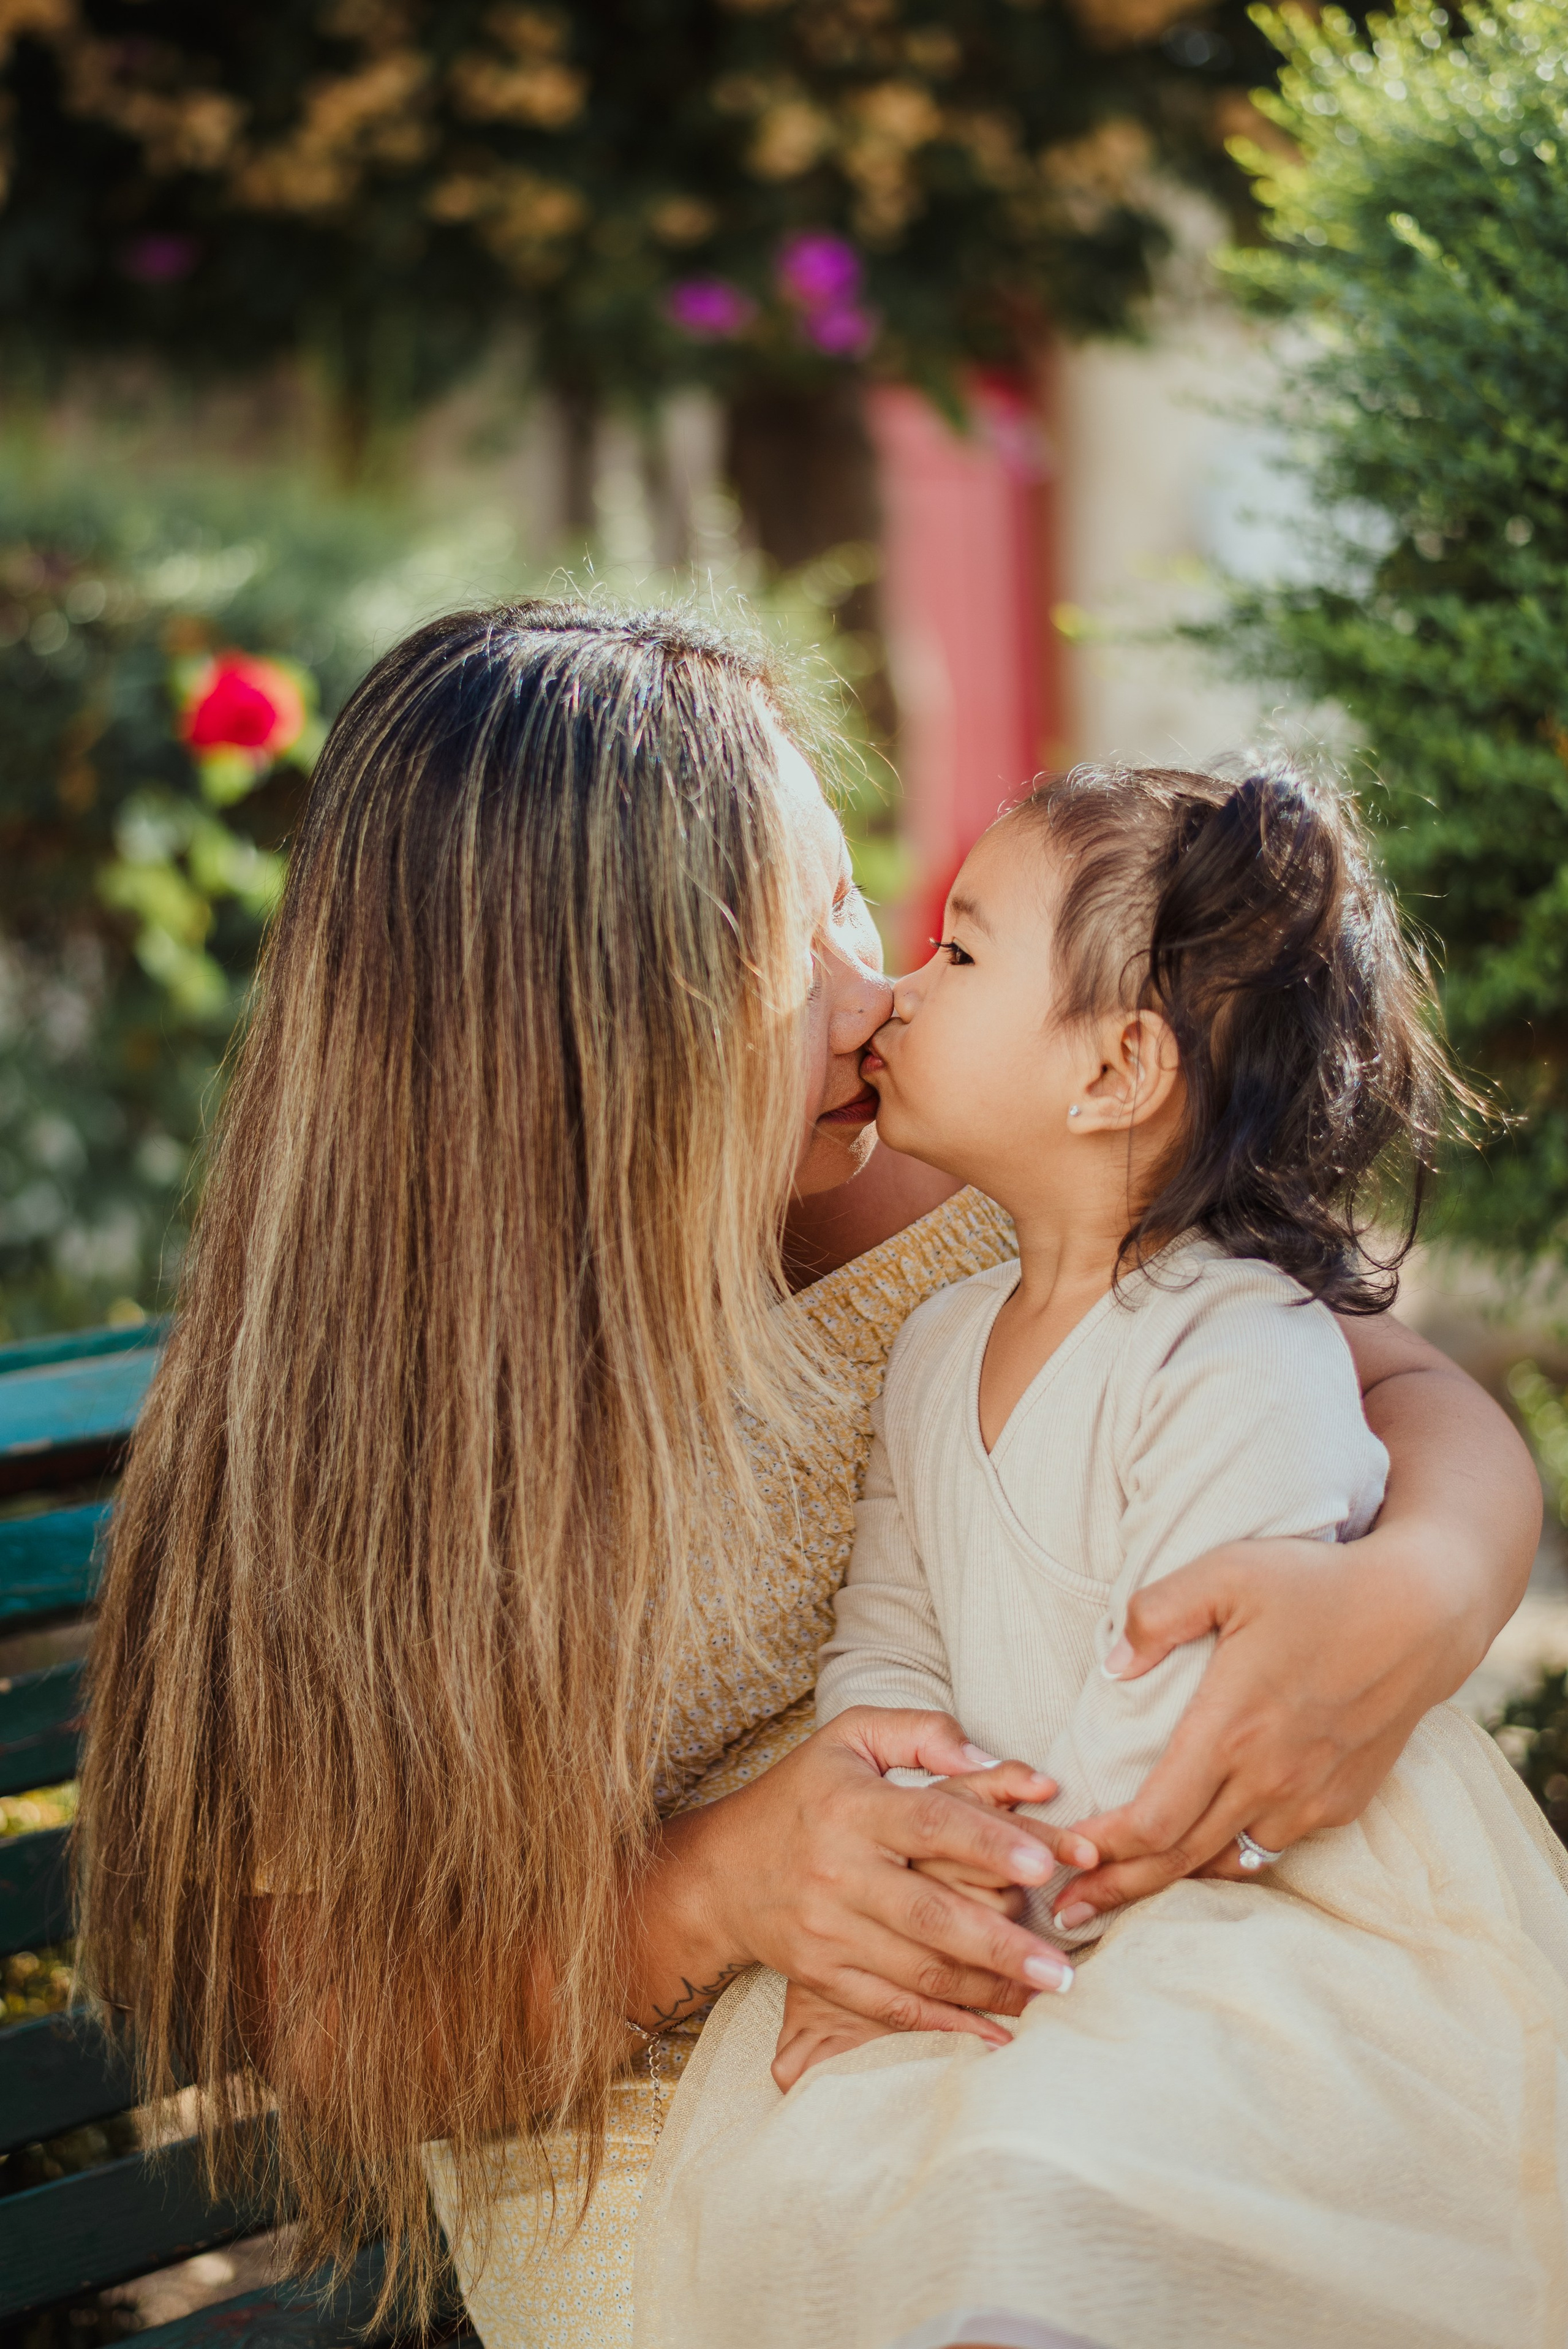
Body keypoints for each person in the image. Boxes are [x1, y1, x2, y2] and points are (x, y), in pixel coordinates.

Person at [73, 611, 1540, 2349]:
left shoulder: (911, 1196)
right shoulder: (328, 1458)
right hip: (681, 2166)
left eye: (870, 903)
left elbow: (1379, 1375)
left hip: (1091, 1988)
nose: (879, 987)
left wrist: (1423, 1587)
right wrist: (708, 1890)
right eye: (805, 939)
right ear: (599, 1029)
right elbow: (322, 2023)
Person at [636, 764, 1568, 2349]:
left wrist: (1004, 1903)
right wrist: (892, 1788)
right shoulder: (939, 1340)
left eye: (957, 953)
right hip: (1059, 1887)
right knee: (859, 2183)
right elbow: (892, 1623)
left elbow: (1200, 1706)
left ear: (1119, 1065)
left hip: (1241, 1886)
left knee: (1082, 2173)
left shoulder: (1236, 1344)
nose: (898, 997)